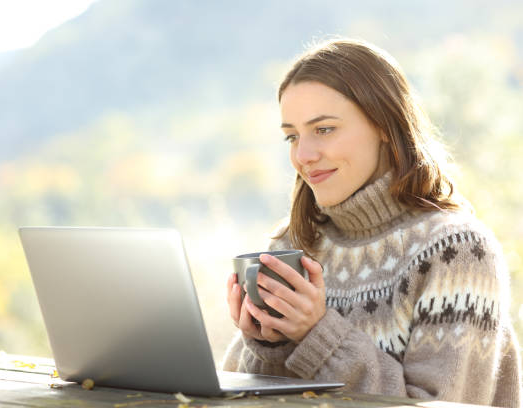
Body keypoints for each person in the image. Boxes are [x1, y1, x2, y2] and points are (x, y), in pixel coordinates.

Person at [222, 38, 521, 407]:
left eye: (324, 129)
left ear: (383, 123)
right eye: (292, 136)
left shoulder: (456, 252)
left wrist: (319, 335)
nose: (303, 155)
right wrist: (268, 344)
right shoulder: (290, 248)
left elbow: (441, 403)